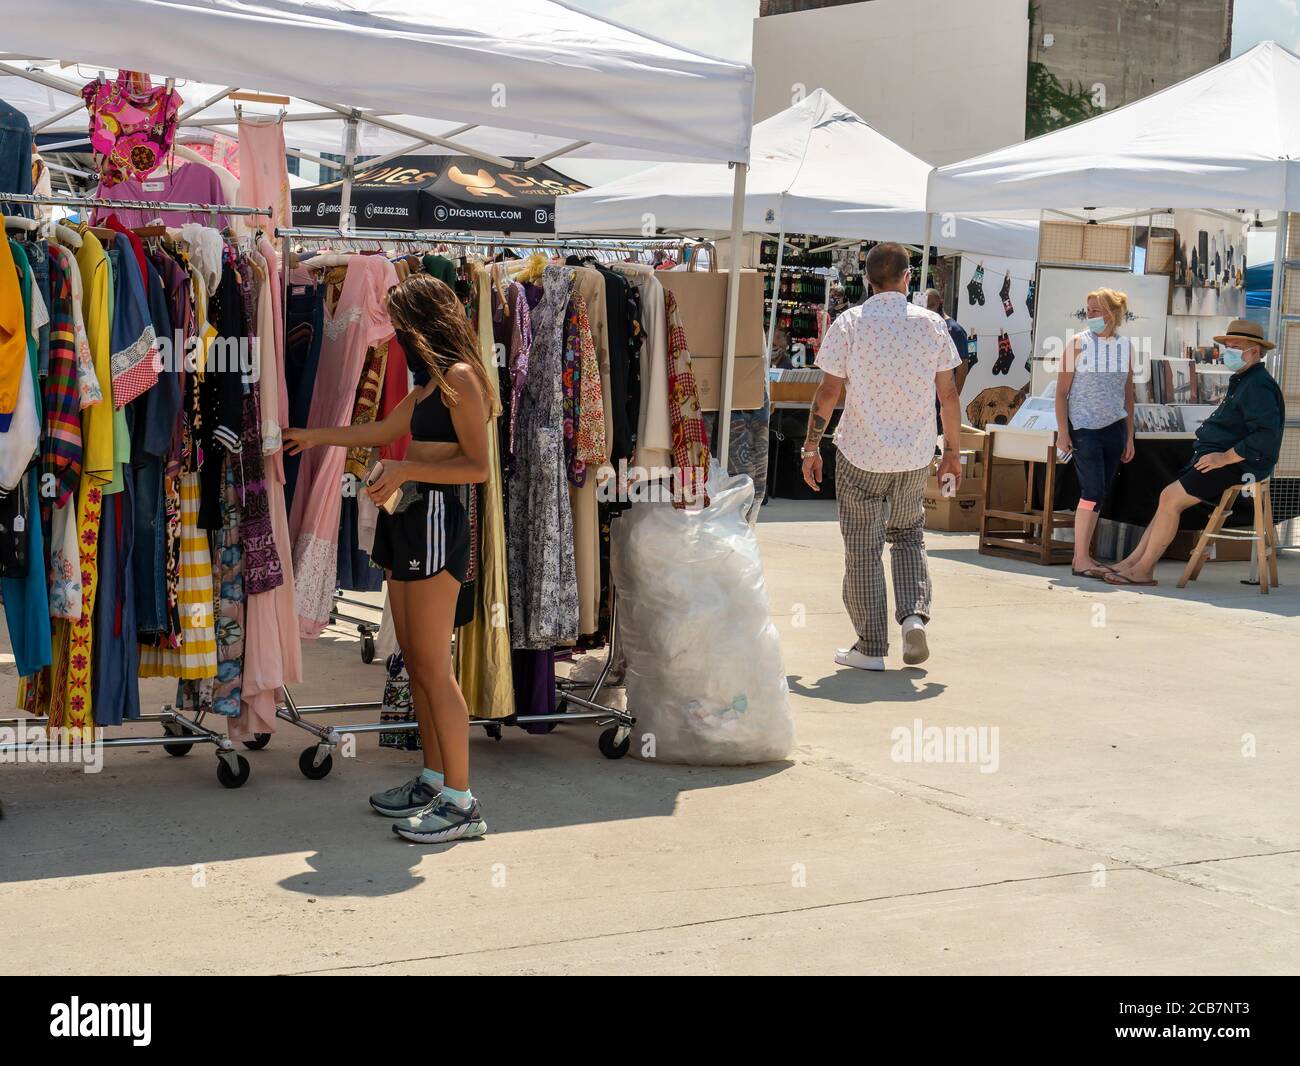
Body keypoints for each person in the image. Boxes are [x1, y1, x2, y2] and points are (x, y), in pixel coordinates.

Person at [284, 275, 496, 842]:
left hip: (434, 520)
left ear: (426, 321)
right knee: (415, 663)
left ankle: (462, 802)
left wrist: (405, 470)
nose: (396, 333)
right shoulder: (429, 386)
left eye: (402, 323)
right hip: (407, 520)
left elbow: (478, 467)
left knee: (433, 667)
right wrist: (314, 436)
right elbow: (381, 428)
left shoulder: (462, 380)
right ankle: (432, 780)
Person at [803, 243, 963, 671]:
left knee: (862, 550)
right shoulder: (932, 325)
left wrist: (810, 446)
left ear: (867, 279)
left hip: (861, 456)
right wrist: (953, 453)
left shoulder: (849, 324)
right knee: (909, 536)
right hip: (913, 456)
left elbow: (828, 394)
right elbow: (948, 395)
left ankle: (871, 647)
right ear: (908, 277)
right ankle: (912, 617)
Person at [1106, 318, 1284, 587]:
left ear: (1255, 351)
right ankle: (1133, 563)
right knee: (1167, 499)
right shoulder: (1245, 379)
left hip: (1239, 464)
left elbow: (1264, 436)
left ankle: (1142, 569)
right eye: (1228, 345)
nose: (1229, 351)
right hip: (1221, 458)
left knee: (1170, 499)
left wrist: (1224, 457)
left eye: (1236, 346)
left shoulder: (1258, 384)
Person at [1055, 288, 1135, 579]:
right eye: (1087, 310)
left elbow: (1127, 393)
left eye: (1096, 311)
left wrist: (1129, 435)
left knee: (1099, 492)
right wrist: (1063, 432)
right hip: (1084, 429)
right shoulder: (1077, 344)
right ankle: (1080, 557)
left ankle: (1084, 554)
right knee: (1092, 490)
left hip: (1114, 428)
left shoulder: (1125, 346)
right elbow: (1061, 393)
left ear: (1112, 314)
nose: (1090, 316)